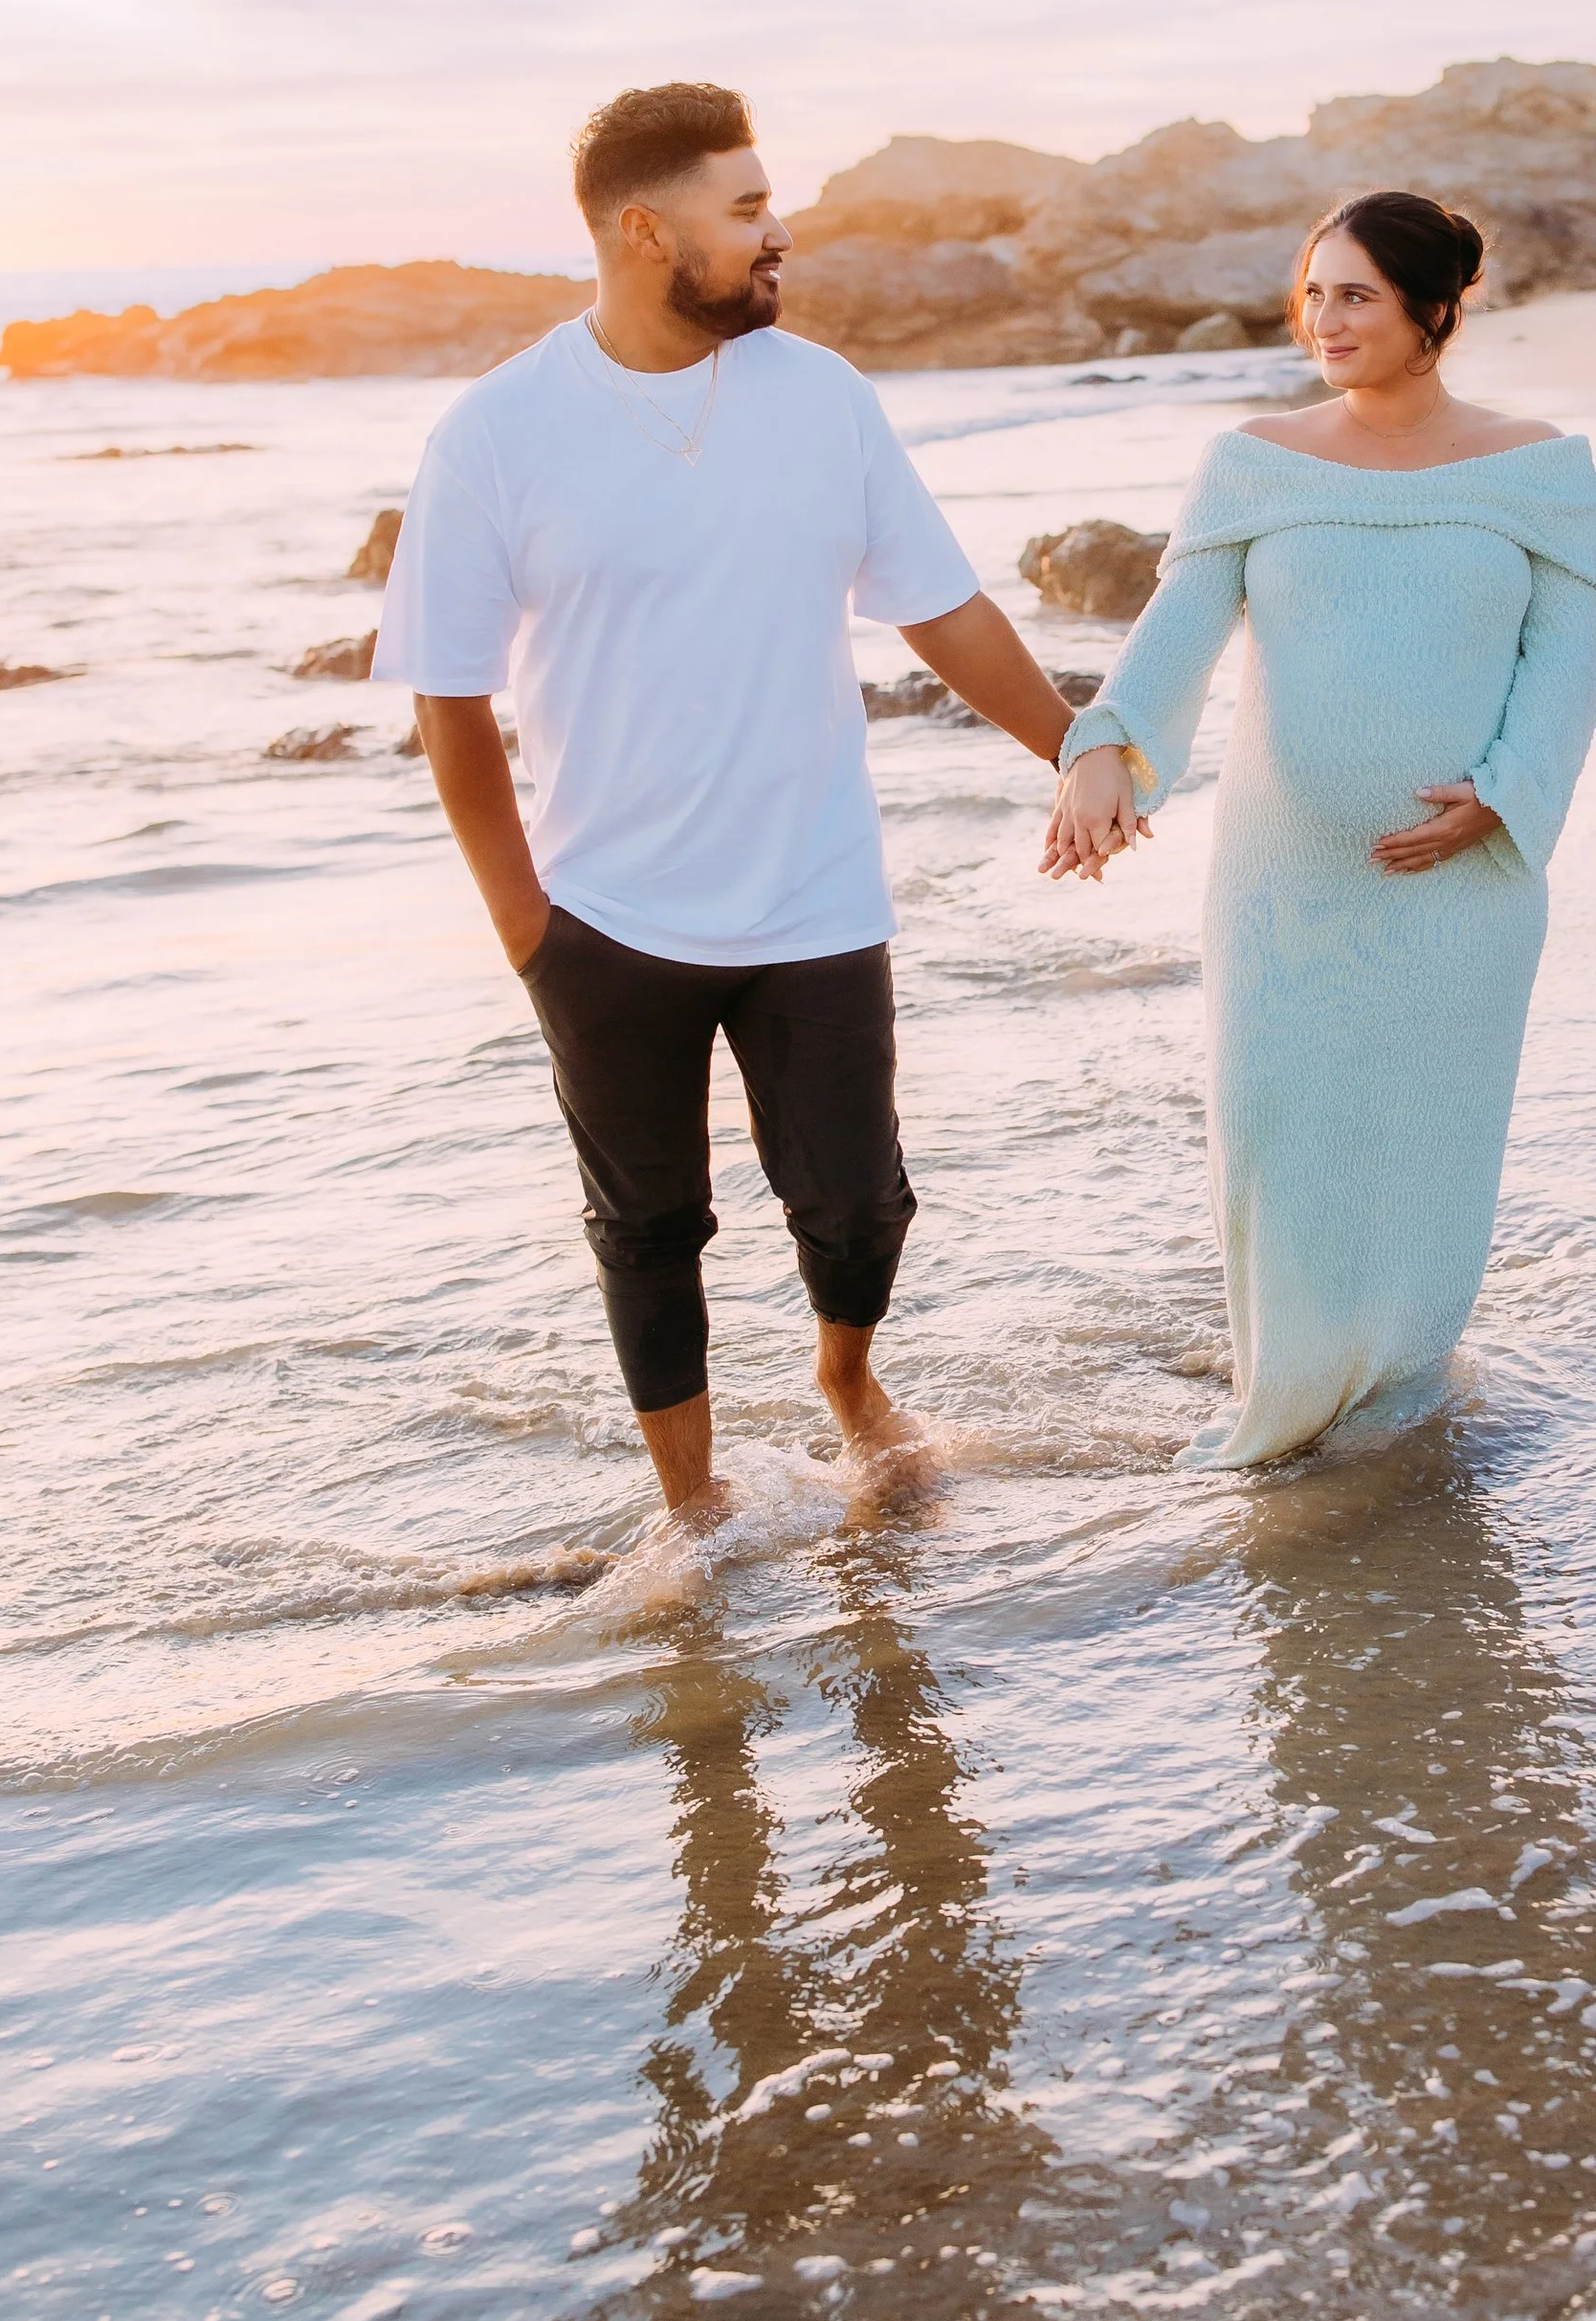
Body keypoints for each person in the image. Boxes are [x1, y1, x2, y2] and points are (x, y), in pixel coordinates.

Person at [374, 82, 1079, 1529]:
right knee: (648, 1229)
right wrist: (524, 921)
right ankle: (691, 1508)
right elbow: (447, 695)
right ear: (646, 230)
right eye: (748, 208)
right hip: (603, 914)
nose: (781, 230)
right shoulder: (497, 433)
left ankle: (846, 1379)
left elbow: (941, 610)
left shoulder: (821, 396)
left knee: (862, 1202)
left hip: (815, 891)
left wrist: (1079, 744)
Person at [1042, 190, 1596, 1467]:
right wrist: (1102, 751)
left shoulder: (1539, 471)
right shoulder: (1258, 459)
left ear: (1435, 309)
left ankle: (1397, 1404)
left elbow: (1566, 664)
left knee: (1427, 1147)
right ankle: (1289, 1397)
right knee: (1282, 1140)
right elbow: (1177, 632)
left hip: (1465, 889)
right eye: (1313, 293)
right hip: (1284, 888)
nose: (1325, 319)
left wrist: (1506, 795)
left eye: (1356, 294)